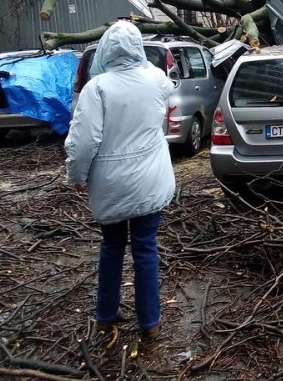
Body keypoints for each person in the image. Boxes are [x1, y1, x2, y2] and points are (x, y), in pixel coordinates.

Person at [65, 21, 175, 341]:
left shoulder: (97, 88)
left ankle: (105, 315)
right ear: (138, 46)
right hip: (150, 181)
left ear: (105, 50)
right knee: (145, 247)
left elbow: (83, 141)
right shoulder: (156, 80)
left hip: (110, 183)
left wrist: (76, 175)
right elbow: (167, 87)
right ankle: (150, 322)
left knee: (112, 246)